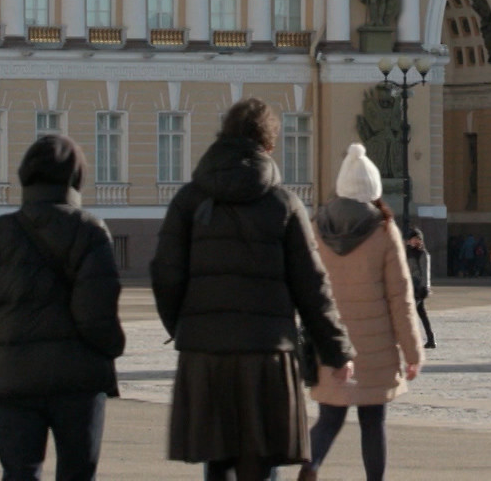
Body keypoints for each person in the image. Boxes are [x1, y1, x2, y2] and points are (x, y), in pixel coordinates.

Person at [151, 99, 355, 481]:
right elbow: (311, 285)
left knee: (218, 460)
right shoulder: (283, 203)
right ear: (269, 144)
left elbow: (164, 273)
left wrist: (183, 326)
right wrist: (336, 349)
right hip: (266, 355)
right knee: (260, 465)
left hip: (206, 353)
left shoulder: (188, 200)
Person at [0, 134, 126, 481]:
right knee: (78, 474)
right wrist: (112, 349)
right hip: (78, 380)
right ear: (75, 178)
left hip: (13, 378)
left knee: (19, 473)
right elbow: (97, 314)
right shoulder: (90, 231)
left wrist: (0, 353)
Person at [303, 144, 423, 481]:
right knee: (373, 422)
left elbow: (308, 287)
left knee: (329, 419)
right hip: (375, 347)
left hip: (330, 343)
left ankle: (308, 467)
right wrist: (412, 352)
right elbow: (400, 297)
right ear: (373, 189)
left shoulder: (317, 228)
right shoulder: (384, 231)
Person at [404, 228, 435, 349]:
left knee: (409, 313)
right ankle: (430, 339)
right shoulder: (406, 253)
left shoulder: (422, 254)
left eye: (419, 239)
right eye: (414, 238)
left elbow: (425, 272)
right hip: (408, 287)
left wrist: (424, 288)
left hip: (417, 288)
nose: (416, 241)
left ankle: (411, 340)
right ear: (409, 240)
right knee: (421, 313)